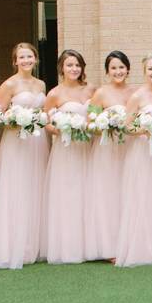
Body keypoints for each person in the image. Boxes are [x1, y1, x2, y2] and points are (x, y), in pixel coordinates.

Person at [0, 42, 49, 269]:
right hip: (15, 142)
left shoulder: (41, 83)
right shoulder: (8, 84)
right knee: (17, 188)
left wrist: (36, 120)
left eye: (29, 56)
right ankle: (13, 245)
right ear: (15, 61)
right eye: (21, 57)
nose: (26, 61)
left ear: (35, 59)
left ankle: (33, 245)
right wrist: (16, 120)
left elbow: (43, 112)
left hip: (37, 140)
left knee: (35, 186)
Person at [115, 54, 152, 267]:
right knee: (142, 194)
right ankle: (140, 247)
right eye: (151, 69)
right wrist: (145, 130)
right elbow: (127, 126)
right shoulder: (137, 97)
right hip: (141, 151)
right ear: (144, 72)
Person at [43, 49, 97, 264]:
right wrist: (60, 129)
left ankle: (91, 244)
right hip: (66, 150)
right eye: (69, 65)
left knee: (89, 192)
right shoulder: (54, 94)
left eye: (77, 65)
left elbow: (99, 114)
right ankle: (69, 246)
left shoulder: (92, 89)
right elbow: (45, 122)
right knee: (69, 193)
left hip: (88, 146)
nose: (74, 69)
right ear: (61, 68)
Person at [85, 51, 135, 262]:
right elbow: (89, 124)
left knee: (127, 193)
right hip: (106, 149)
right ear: (107, 71)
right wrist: (105, 126)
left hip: (129, 148)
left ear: (128, 70)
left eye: (121, 67)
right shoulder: (100, 94)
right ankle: (109, 247)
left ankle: (129, 241)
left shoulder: (135, 93)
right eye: (113, 68)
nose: (118, 71)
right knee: (108, 195)